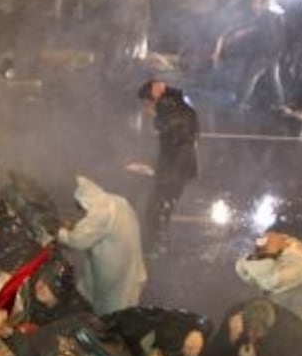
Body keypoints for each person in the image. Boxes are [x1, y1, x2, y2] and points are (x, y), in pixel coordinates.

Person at [57, 176, 147, 315]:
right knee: (124, 306)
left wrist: (58, 232)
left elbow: (76, 241)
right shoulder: (116, 201)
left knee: (112, 315)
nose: (80, 211)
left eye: (80, 207)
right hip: (130, 268)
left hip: (115, 279)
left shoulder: (100, 213)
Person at [136, 79, 199, 253]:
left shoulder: (167, 106)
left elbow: (176, 134)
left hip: (175, 169)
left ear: (155, 94)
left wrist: (157, 117)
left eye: (147, 102)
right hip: (181, 166)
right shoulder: (177, 103)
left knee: (158, 207)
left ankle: (156, 244)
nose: (146, 108)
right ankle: (159, 240)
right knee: (164, 204)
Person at [235, 232, 302, 340]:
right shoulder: (286, 249)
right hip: (289, 323)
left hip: (295, 332)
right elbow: (246, 270)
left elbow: (267, 280)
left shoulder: (297, 264)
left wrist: (266, 255)